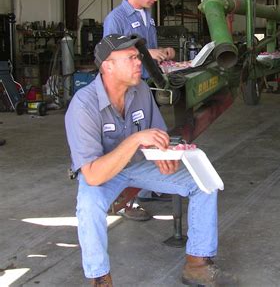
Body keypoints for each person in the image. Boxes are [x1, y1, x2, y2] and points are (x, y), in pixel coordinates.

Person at [65, 34, 236, 286]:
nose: (139, 63)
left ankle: (197, 263)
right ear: (107, 66)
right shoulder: (83, 106)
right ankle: (100, 278)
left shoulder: (141, 90)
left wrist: (162, 155)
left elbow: (158, 134)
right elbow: (92, 174)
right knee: (88, 207)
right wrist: (135, 140)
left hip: (139, 163)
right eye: (131, 58)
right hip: (104, 170)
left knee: (204, 183)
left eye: (138, 57)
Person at [103, 0, 176, 220]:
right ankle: (125, 202)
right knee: (127, 143)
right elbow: (109, 56)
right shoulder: (117, 18)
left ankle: (148, 189)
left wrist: (162, 52)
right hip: (127, 89)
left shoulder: (148, 17)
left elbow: (149, 48)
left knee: (150, 139)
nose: (155, 0)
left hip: (146, 86)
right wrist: (145, 55)